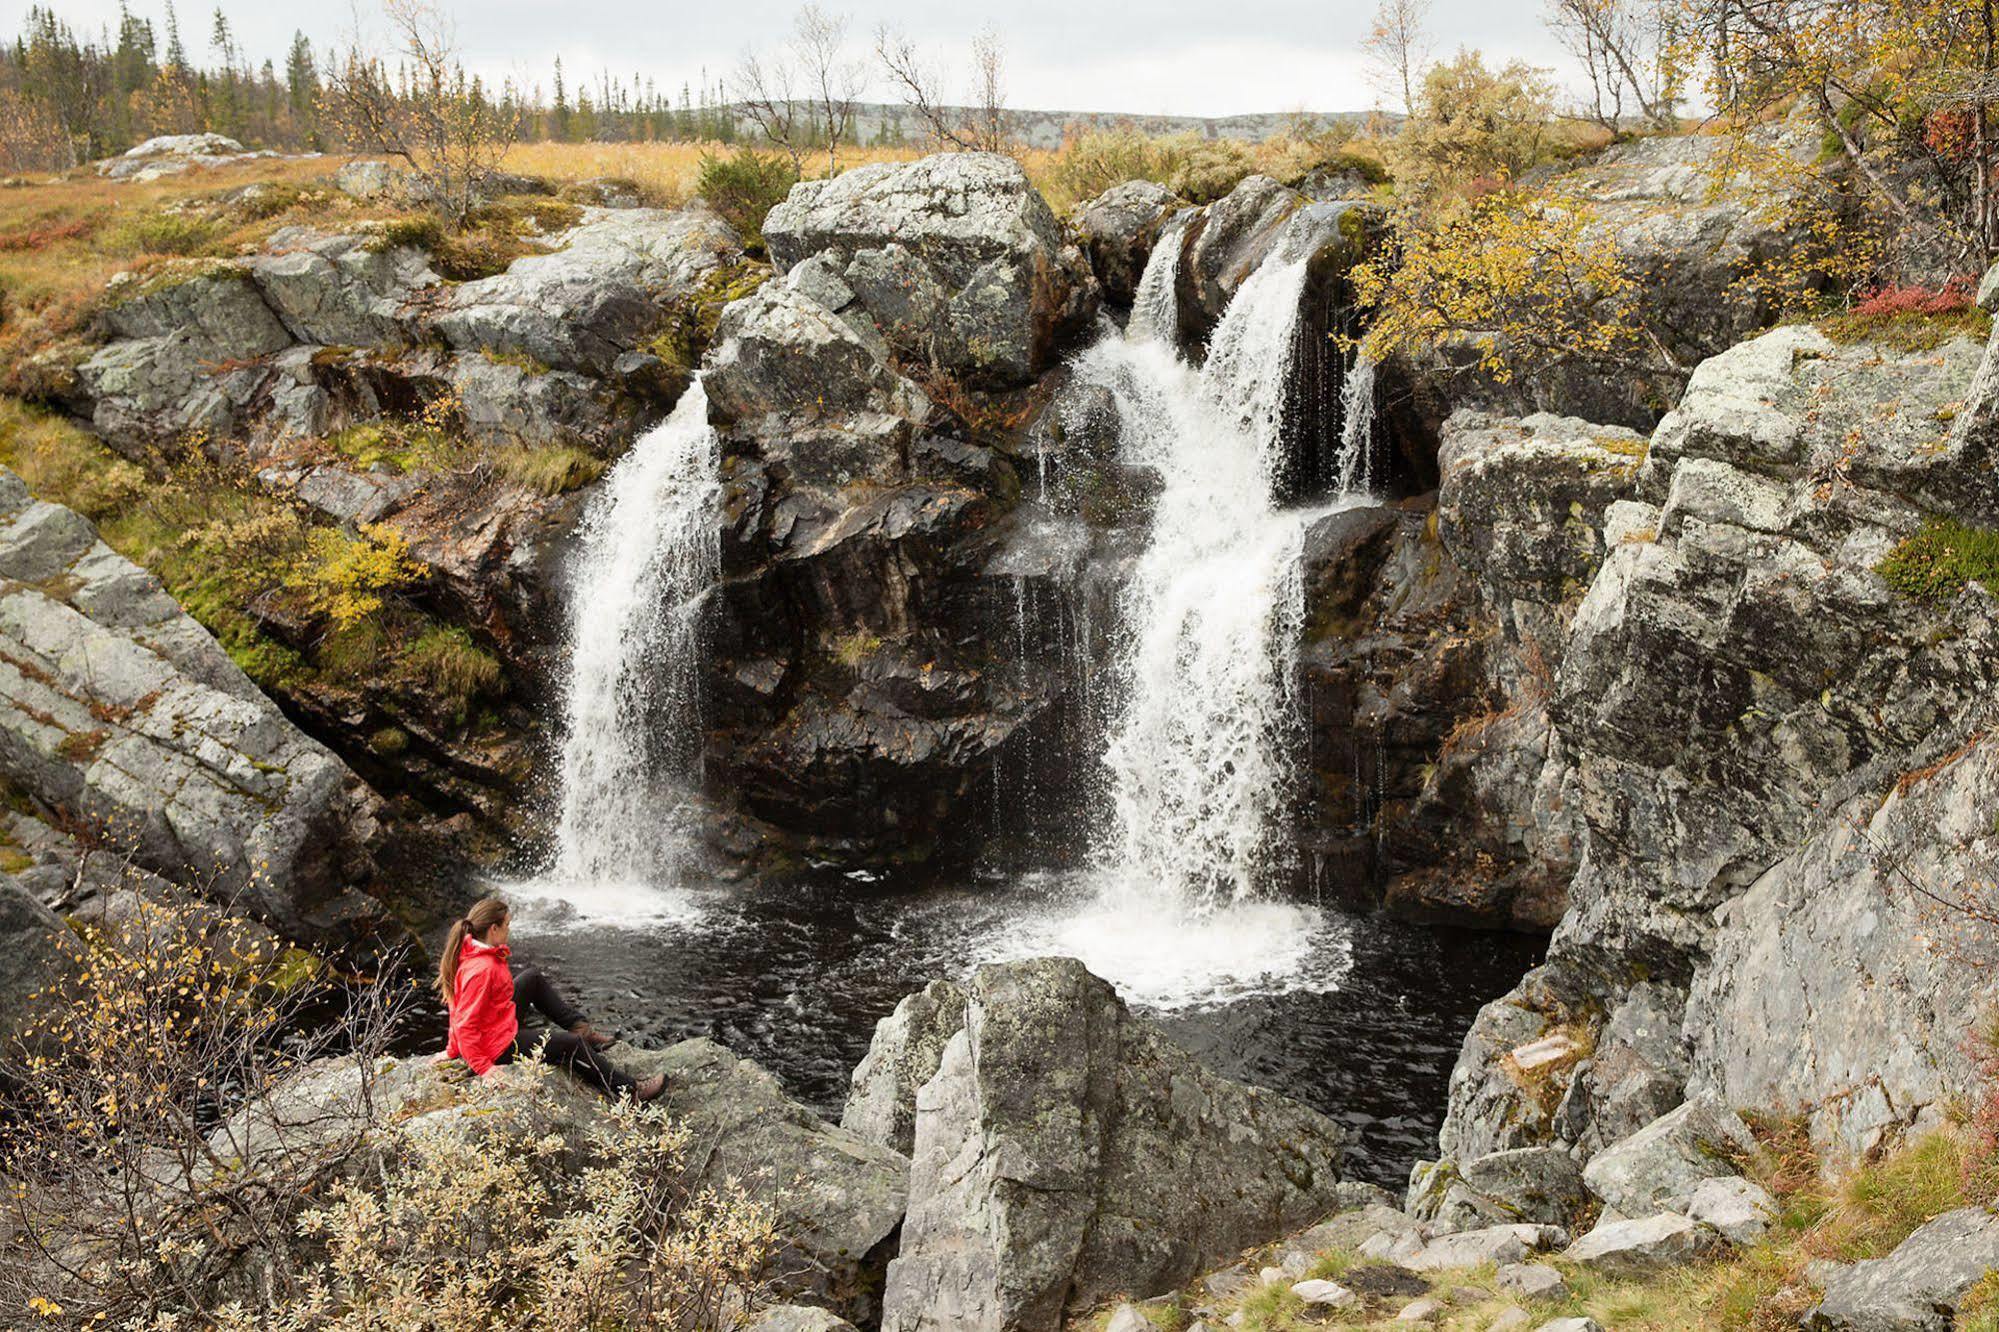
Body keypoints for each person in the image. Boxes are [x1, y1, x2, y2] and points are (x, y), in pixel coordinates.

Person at [438, 895, 665, 1101]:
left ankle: (581, 1027)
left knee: (531, 978)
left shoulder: (477, 953)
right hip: (497, 1046)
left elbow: (457, 1006)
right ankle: (629, 1091)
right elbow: (465, 1023)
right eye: (507, 925)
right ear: (494, 929)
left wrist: (451, 1049)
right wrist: (484, 1068)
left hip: (496, 1024)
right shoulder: (482, 969)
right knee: (571, 1045)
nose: (509, 930)